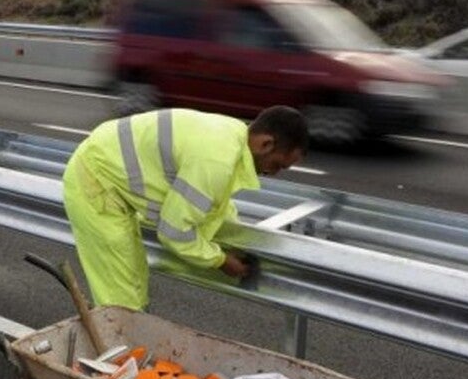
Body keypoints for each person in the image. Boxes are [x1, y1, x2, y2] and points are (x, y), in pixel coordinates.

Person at [62, 106, 307, 311]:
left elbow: (213, 206)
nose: (274, 173)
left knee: (134, 283)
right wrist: (220, 260)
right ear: (266, 144)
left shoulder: (231, 136)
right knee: (121, 299)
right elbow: (174, 232)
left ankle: (128, 355)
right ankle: (119, 361)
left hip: (106, 170)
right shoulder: (216, 159)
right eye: (278, 165)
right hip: (96, 181)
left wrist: (232, 242)